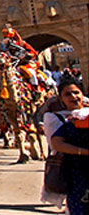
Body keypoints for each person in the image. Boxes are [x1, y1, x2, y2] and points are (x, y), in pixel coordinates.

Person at [48, 74, 89, 214]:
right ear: (61, 98)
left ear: (82, 94)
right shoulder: (60, 119)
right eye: (67, 94)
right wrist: (84, 152)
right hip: (77, 173)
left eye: (76, 92)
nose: (73, 97)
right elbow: (56, 144)